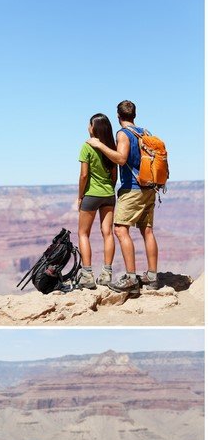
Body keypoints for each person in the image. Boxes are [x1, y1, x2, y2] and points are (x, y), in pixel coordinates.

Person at [88, 99, 158, 295]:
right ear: (134, 115)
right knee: (147, 231)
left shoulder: (123, 134)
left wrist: (99, 145)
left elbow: (121, 158)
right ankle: (152, 277)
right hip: (149, 188)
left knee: (120, 230)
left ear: (118, 117)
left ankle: (131, 278)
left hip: (132, 189)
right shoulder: (146, 132)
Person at [77, 114, 117, 290]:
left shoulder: (87, 146)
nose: (87, 126)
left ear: (94, 128)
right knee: (107, 233)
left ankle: (87, 275)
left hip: (91, 195)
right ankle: (107, 274)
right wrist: (109, 188)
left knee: (83, 233)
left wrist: (80, 196)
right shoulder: (111, 147)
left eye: (89, 124)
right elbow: (114, 174)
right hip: (108, 194)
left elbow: (84, 175)